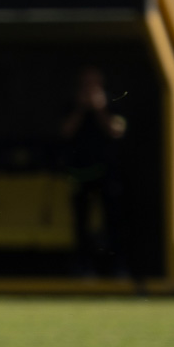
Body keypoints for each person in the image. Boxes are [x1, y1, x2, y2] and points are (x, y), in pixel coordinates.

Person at [61, 65, 127, 275]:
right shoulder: (73, 104)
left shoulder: (112, 102)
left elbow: (116, 130)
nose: (90, 89)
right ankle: (83, 267)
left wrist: (100, 109)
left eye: (94, 84)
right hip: (80, 172)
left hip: (106, 172)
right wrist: (81, 109)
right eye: (86, 84)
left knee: (112, 222)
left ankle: (115, 269)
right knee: (81, 224)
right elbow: (65, 132)